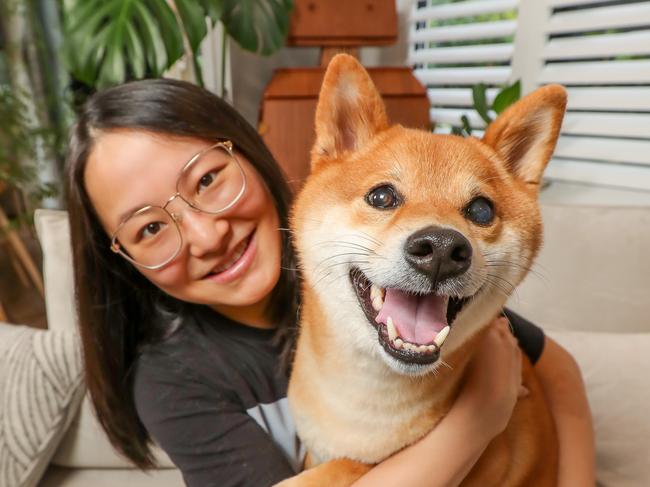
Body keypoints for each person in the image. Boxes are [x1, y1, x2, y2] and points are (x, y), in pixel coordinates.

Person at [65, 78, 594, 487]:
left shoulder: (375, 285)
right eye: (151, 228)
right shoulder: (174, 382)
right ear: (122, 259)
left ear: (250, 149)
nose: (205, 234)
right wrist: (481, 415)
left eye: (207, 179)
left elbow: (559, 369)